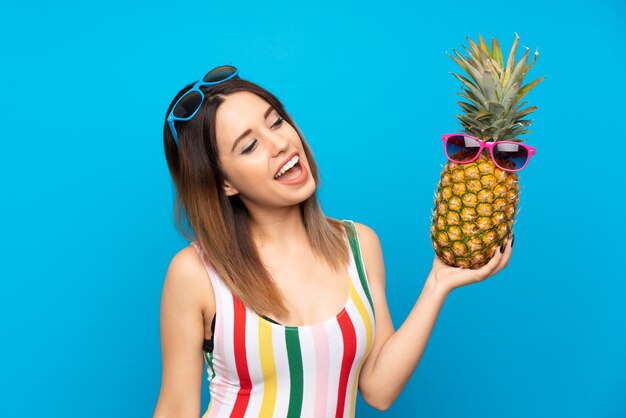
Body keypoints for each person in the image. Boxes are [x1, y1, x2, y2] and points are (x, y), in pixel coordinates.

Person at [152, 65, 514, 418]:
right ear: (223, 183)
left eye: (276, 121)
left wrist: (438, 284)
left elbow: (378, 389)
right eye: (249, 146)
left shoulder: (360, 245)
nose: (280, 143)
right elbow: (175, 409)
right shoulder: (196, 274)